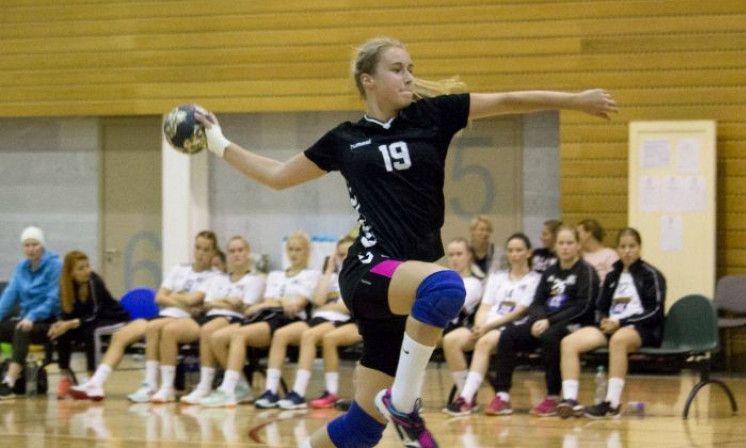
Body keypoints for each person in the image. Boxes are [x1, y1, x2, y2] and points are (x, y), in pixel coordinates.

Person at [194, 36, 617, 447]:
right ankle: (405, 405)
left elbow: (506, 100)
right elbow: (277, 176)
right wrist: (218, 143)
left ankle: (392, 408)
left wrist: (574, 100)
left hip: (408, 284)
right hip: (369, 271)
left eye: (411, 68)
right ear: (368, 80)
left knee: (361, 428)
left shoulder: (432, 116)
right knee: (447, 285)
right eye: (397, 69)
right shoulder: (345, 139)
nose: (409, 77)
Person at [68, 231, 218, 401]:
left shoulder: (214, 276)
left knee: (156, 329)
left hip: (184, 320)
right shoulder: (179, 268)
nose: (201, 253)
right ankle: (96, 383)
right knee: (120, 335)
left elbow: (193, 300)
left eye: (206, 250)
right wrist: (180, 299)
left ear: (213, 253)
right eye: (198, 248)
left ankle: (151, 384)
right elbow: (159, 297)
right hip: (164, 314)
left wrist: (175, 297)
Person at [483, 225, 600, 417]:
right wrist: (540, 319)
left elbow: (583, 306)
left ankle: (553, 396)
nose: (565, 247)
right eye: (561, 243)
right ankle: (502, 395)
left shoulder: (586, 271)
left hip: (573, 323)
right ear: (555, 246)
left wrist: (550, 321)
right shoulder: (550, 272)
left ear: (578, 246)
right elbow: (537, 302)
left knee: (550, 336)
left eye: (570, 243)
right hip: (545, 321)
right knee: (508, 335)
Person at [199, 231, 319, 408]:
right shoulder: (275, 276)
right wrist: (281, 301)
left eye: (298, 249)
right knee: (217, 337)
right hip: (266, 316)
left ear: (307, 251)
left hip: (287, 319)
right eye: (291, 249)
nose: (294, 253)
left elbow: (297, 305)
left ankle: (228, 389)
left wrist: (275, 302)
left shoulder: (312, 274)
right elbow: (262, 305)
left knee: (239, 334)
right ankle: (241, 386)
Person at [556, 227, 666, 419]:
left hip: (639, 328)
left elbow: (655, 311)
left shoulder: (651, 275)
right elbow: (600, 306)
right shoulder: (612, 275)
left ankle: (611, 403)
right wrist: (603, 321)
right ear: (617, 249)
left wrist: (622, 322)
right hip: (610, 327)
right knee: (569, 342)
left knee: (618, 340)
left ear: (639, 248)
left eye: (632, 246)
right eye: (623, 246)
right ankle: (570, 400)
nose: (627, 251)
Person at [444, 233, 539, 416]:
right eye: (511, 250)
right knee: (451, 340)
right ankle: (466, 392)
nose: (514, 254)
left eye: (519, 250)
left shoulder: (534, 279)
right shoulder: (498, 277)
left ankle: (466, 398)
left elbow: (519, 311)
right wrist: (479, 325)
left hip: (510, 328)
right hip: (485, 326)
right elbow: (485, 306)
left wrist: (486, 328)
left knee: (484, 342)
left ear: (528, 253)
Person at [264, 236, 360, 410]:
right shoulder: (332, 277)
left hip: (340, 321)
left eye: (347, 254)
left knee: (309, 336)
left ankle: (298, 393)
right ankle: (270, 391)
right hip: (319, 317)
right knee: (280, 334)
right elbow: (317, 300)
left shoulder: (359, 275)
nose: (343, 258)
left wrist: (329, 305)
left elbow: (349, 307)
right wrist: (329, 270)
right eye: (340, 254)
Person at [175, 236, 266, 405]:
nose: (236, 255)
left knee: (209, 330)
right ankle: (238, 384)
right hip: (213, 315)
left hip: (237, 319)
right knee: (208, 330)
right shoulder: (218, 279)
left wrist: (224, 302)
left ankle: (206, 385)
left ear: (248, 253)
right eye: (232, 251)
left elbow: (245, 308)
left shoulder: (255, 279)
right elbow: (208, 304)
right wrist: (228, 300)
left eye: (240, 250)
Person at [48, 251, 130, 399]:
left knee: (92, 331)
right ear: (71, 272)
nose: (87, 271)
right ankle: (65, 375)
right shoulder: (65, 285)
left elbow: (94, 314)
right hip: (86, 321)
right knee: (63, 333)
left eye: (87, 266)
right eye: (81, 268)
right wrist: (60, 324)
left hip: (112, 318)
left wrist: (71, 323)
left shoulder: (94, 282)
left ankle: (93, 378)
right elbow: (66, 314)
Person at [0, 226, 62, 400]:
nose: (31, 249)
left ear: (42, 245)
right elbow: (9, 294)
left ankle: (9, 381)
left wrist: (31, 317)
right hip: (25, 319)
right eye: (26, 245)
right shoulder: (21, 267)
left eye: (34, 244)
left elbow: (52, 300)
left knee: (22, 329)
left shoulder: (55, 265)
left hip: (49, 321)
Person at [578, 219, 619, 283]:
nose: (576, 236)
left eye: (578, 233)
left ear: (588, 233)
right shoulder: (579, 255)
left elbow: (615, 279)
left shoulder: (609, 255)